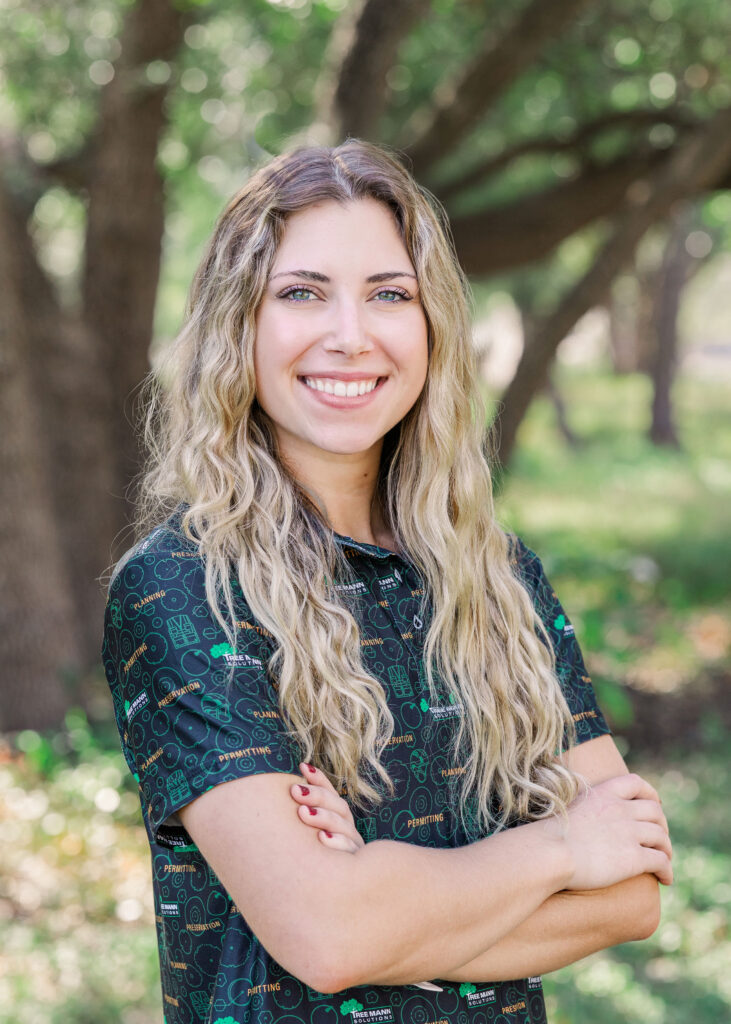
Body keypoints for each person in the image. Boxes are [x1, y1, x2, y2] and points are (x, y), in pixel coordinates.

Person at [102, 138, 672, 1024]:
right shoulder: (183, 588)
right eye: (300, 293)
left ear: (432, 324)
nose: (349, 336)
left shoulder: (499, 576)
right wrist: (561, 847)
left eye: (389, 295)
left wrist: (384, 891)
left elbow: (633, 893)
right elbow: (329, 940)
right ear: (236, 325)